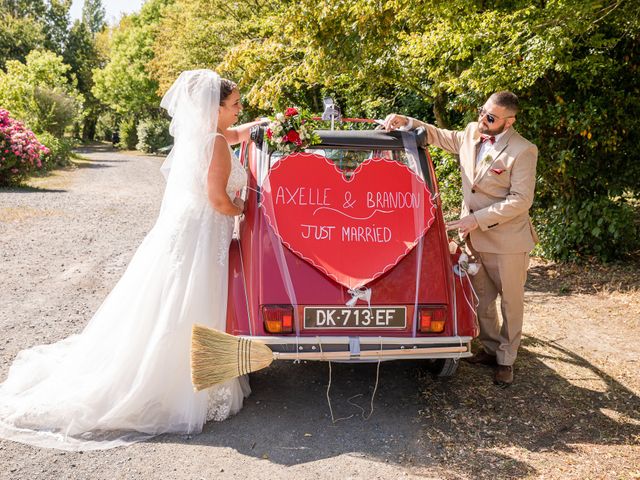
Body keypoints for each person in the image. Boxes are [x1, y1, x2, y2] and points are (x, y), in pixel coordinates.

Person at [0, 70, 262, 450]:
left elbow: (238, 135)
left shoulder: (203, 137)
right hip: (202, 235)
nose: (241, 109)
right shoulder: (216, 143)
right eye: (236, 104)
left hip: (187, 231)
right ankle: (174, 386)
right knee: (190, 299)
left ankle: (179, 370)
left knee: (171, 300)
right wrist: (246, 207)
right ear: (215, 108)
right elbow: (219, 201)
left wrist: (265, 124)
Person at [384, 91, 538, 386]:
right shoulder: (470, 133)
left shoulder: (523, 150)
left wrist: (475, 219)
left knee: (511, 302)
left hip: (508, 241)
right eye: (482, 111)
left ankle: (507, 360)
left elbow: (521, 200)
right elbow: (438, 135)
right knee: (481, 300)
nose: (483, 119)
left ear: (509, 121)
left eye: (490, 117)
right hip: (473, 237)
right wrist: (406, 121)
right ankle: (491, 349)